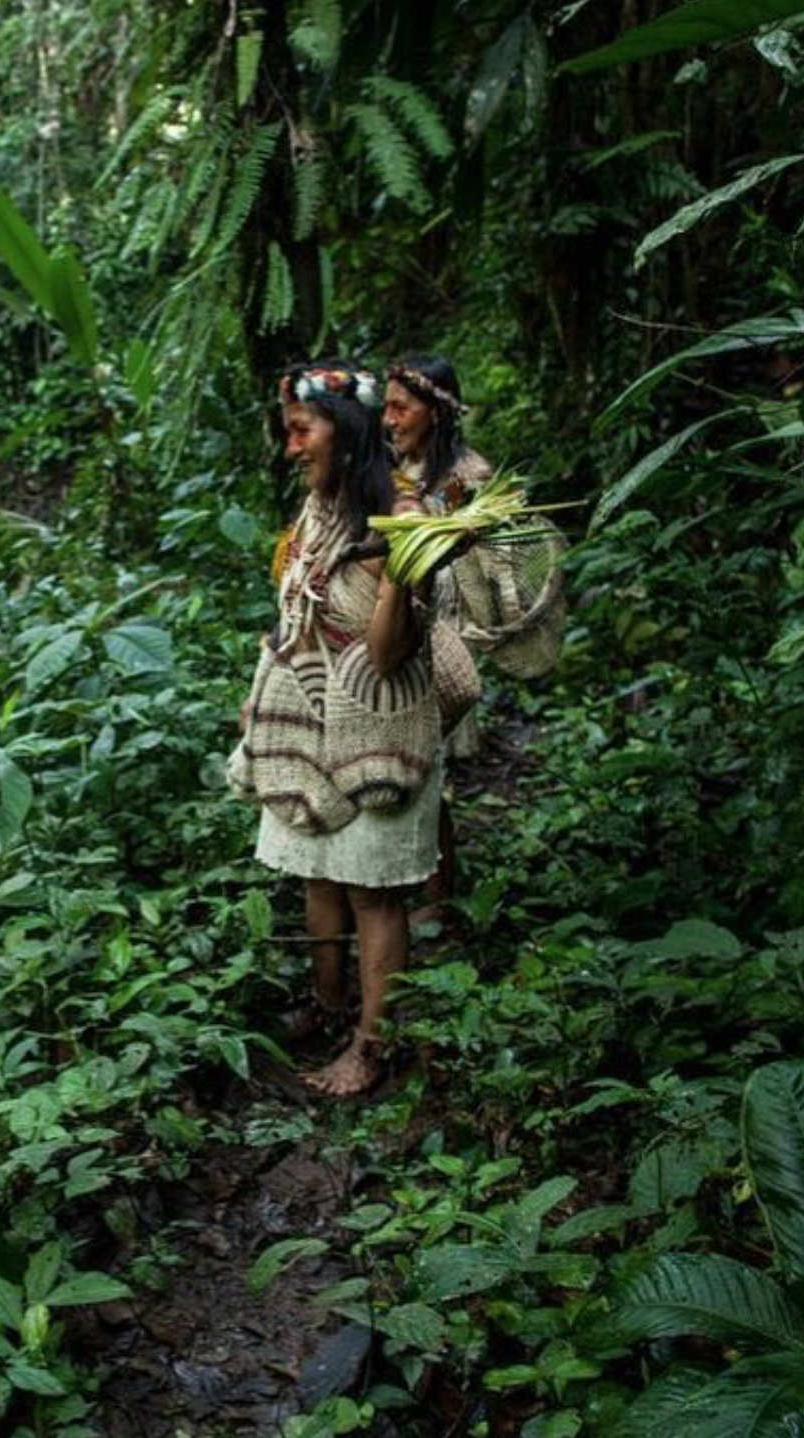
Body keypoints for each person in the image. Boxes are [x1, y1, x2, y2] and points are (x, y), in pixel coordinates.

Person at [235, 360, 446, 1100]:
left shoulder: (405, 518)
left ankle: (371, 1046)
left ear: (346, 433)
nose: (290, 447)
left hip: (380, 728)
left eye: (301, 431)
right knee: (318, 869)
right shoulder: (322, 503)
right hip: (310, 722)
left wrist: (397, 572)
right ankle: (327, 1004)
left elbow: (388, 653)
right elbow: (295, 605)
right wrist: (264, 683)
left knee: (371, 895)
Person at [382, 356, 492, 915]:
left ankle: (437, 899)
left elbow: (459, 555)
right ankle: (420, 888)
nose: (390, 418)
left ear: (437, 412)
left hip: (439, 632)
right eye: (386, 406)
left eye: (402, 407)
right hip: (396, 627)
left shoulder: (464, 478)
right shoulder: (391, 467)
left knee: (428, 770)